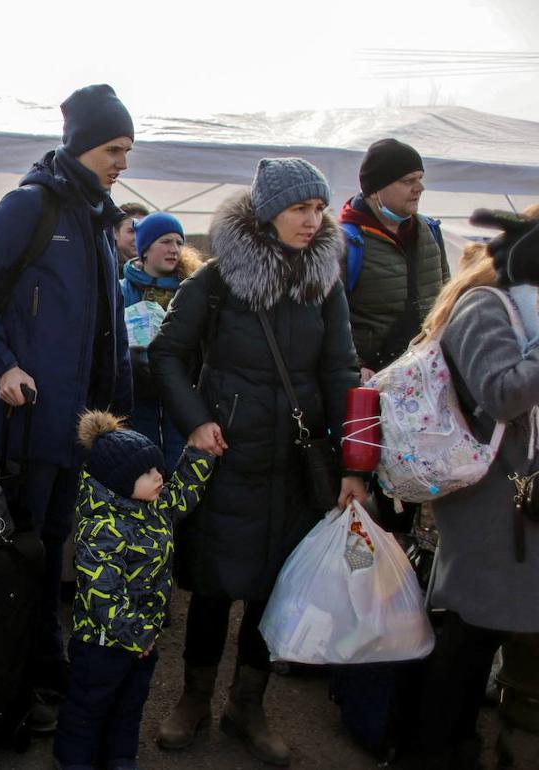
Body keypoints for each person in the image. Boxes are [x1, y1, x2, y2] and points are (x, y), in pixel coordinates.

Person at [149, 158, 365, 765]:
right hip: (227, 460)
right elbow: (167, 354)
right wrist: (197, 419)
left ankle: (248, 705)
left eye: (319, 209)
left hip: (296, 465)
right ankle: (192, 700)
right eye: (301, 208)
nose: (312, 220)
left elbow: (342, 371)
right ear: (269, 212)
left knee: (276, 592)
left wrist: (353, 465)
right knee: (216, 588)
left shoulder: (325, 283)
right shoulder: (218, 280)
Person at [0, 83, 135, 723]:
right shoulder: (33, 206)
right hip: (27, 422)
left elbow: (106, 327)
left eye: (127, 149)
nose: (122, 162)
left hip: (79, 427)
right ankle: (10, 687)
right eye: (113, 148)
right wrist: (2, 361)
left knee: (54, 551)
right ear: (80, 147)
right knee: (21, 556)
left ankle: (46, 667)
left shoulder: (98, 219)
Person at [412, 209, 539, 770]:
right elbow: (504, 394)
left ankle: (463, 742)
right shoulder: (486, 306)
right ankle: (431, 749)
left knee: (488, 634)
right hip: (489, 497)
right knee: (469, 635)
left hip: (518, 495)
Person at [54, 411, 213, 770]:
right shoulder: (102, 528)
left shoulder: (152, 506)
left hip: (142, 641)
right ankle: (73, 760)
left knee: (129, 705)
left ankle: (120, 757)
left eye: (158, 468)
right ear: (119, 482)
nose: (159, 477)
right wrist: (137, 634)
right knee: (87, 707)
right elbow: (102, 593)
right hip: (103, 645)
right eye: (148, 473)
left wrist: (200, 456)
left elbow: (183, 494)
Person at [339, 138, 450, 534]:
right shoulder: (343, 242)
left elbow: (446, 302)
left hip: (422, 388)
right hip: (368, 393)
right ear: (376, 188)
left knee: (421, 486)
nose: (419, 188)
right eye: (408, 180)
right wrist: (354, 368)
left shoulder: (431, 234)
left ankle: (410, 564)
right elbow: (328, 318)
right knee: (369, 492)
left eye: (420, 179)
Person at [120, 212, 202, 471]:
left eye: (179, 242)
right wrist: (126, 358)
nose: (174, 249)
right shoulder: (120, 290)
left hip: (180, 401)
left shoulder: (193, 291)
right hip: (134, 400)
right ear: (145, 249)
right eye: (165, 241)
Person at [114, 202, 150, 273]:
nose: (139, 238)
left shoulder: (155, 269)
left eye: (144, 231)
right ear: (115, 233)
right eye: (131, 231)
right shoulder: (105, 268)